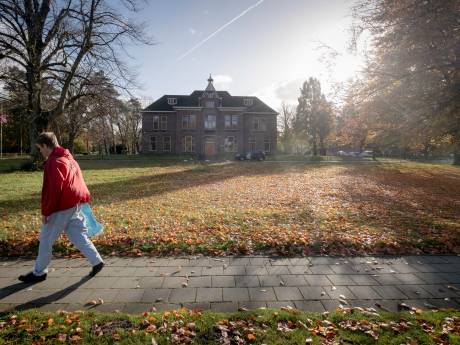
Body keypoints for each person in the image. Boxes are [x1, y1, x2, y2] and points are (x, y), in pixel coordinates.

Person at [19, 132, 104, 283]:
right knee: (77, 235)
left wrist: (46, 212)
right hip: (75, 203)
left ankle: (39, 273)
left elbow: (53, 190)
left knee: (46, 238)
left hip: (62, 206)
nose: (40, 152)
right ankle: (97, 261)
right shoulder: (68, 158)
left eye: (40, 148)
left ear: (46, 145)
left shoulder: (54, 162)